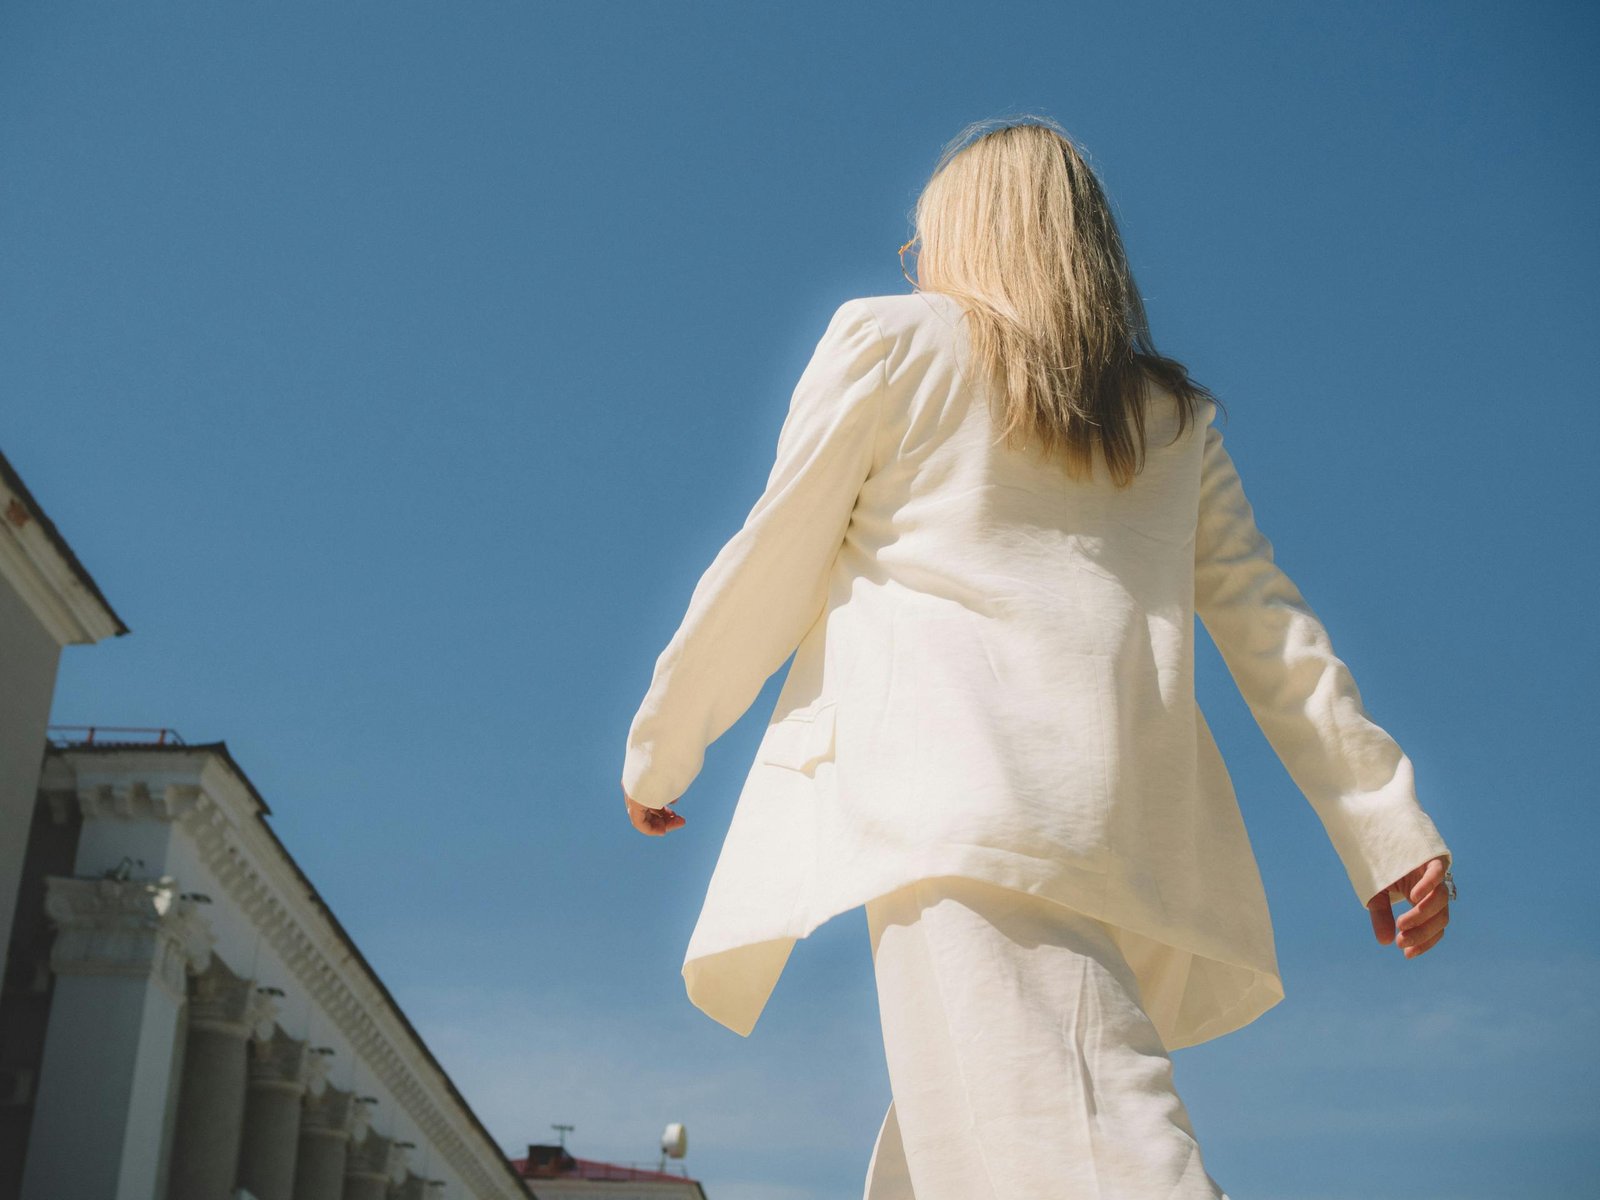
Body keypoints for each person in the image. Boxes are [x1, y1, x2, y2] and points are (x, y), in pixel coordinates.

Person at [620, 115, 1455, 1199]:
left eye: (923, 241)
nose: (912, 265)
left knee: (1101, 1151)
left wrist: (664, 746)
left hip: (950, 817)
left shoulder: (890, 343)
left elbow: (770, 557)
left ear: (971, 235)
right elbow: (1272, 631)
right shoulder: (1172, 420)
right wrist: (1381, 821)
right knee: (962, 1160)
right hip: (1116, 838)